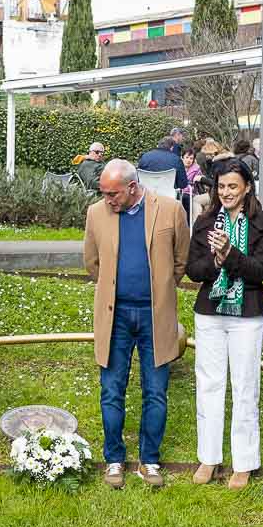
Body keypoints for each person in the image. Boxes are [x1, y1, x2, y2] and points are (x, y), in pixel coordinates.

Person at [84, 159, 190, 490]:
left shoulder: (171, 210)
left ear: (132, 188)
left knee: (156, 391)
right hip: (114, 317)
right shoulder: (96, 213)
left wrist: (158, 289)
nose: (108, 200)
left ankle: (150, 460)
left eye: (113, 194)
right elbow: (92, 263)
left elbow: (180, 261)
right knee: (111, 390)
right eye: (103, 193)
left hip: (154, 316)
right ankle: (114, 459)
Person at [186, 159, 263, 489]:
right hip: (210, 312)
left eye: (232, 186)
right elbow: (193, 270)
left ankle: (244, 462)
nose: (226, 192)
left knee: (245, 387)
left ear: (247, 188)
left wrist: (231, 256)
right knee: (209, 384)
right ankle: (209, 458)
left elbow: (262, 271)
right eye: (221, 186)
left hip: (247, 314)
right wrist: (215, 261)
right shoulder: (205, 221)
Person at [178, 145, 203, 217]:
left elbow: (198, 181)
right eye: (187, 157)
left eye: (191, 158)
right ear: (182, 157)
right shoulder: (178, 167)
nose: (188, 160)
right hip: (178, 192)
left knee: (186, 199)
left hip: (190, 192)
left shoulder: (196, 168)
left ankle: (189, 225)